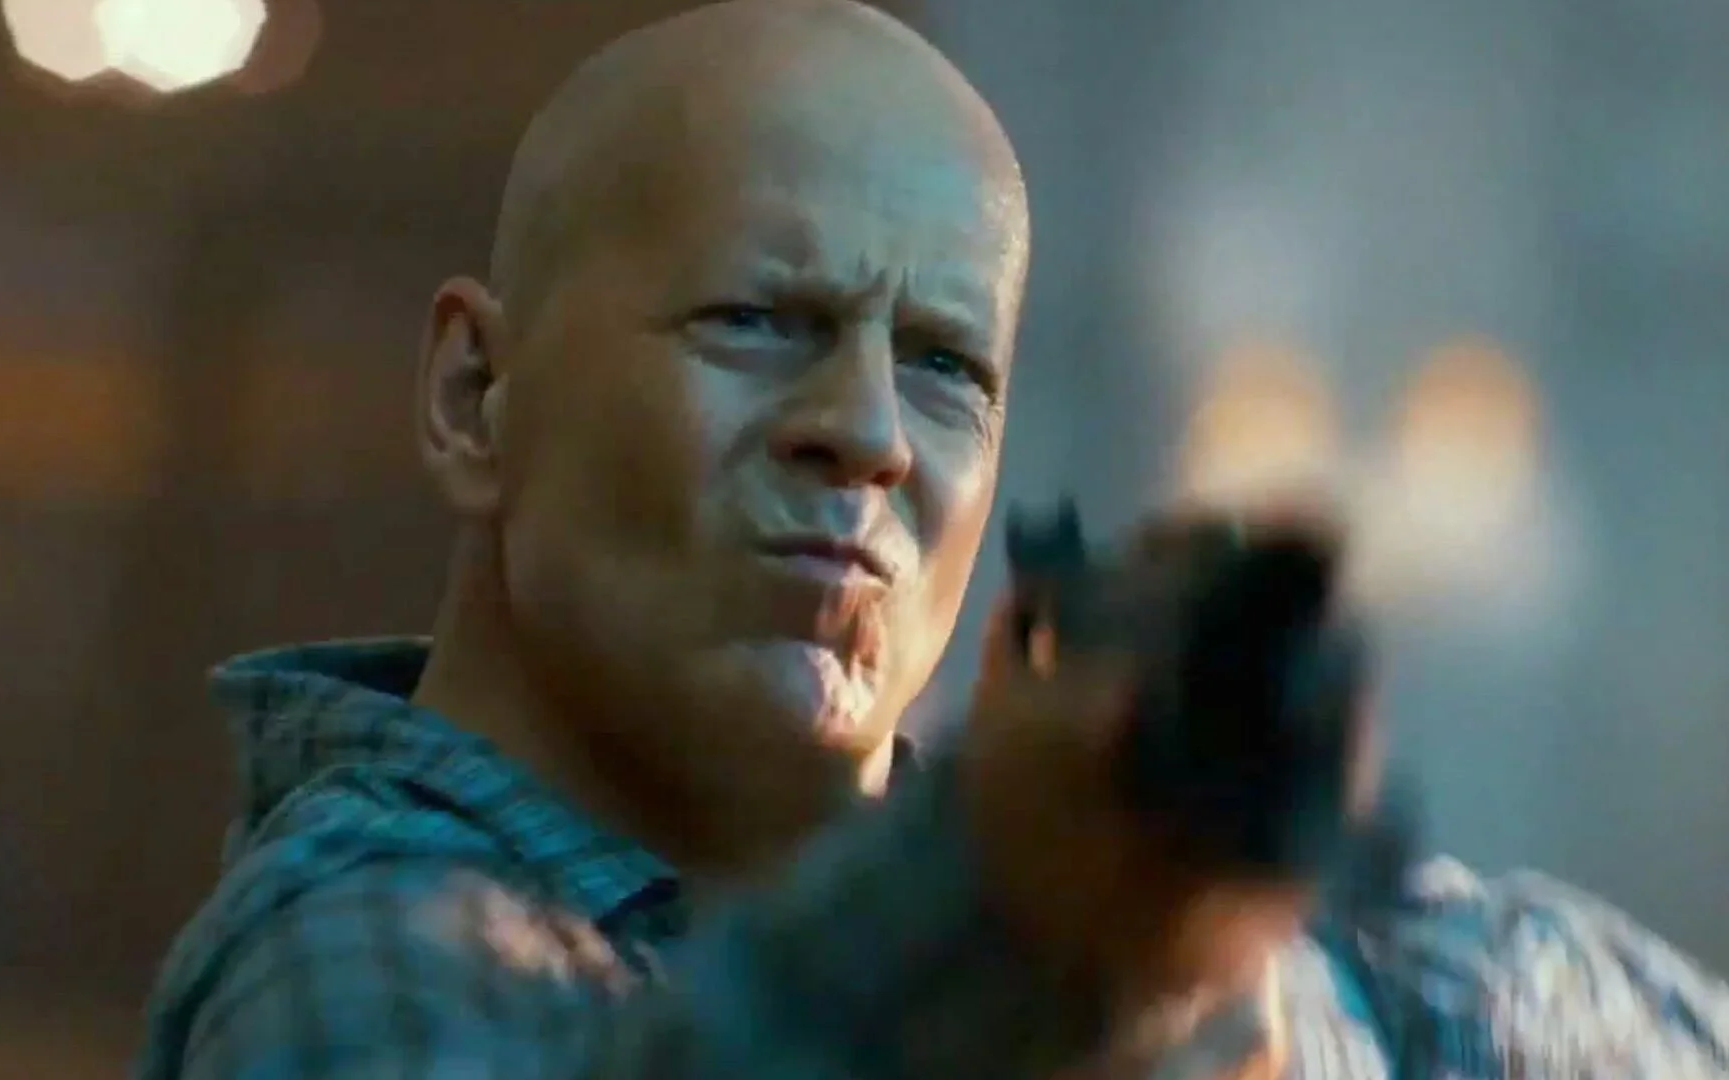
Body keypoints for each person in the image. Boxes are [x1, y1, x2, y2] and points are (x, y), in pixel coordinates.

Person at [136, 1, 1729, 1077]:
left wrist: (1224, 967)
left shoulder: (1067, 879)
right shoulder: (346, 948)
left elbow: (1560, 1010)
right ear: (477, 397)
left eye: (948, 368)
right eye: (759, 319)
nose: (872, 434)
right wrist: (1016, 919)